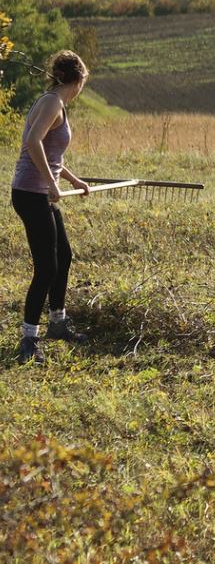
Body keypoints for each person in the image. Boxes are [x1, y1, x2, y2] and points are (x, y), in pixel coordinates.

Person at [12, 50, 92, 364]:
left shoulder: (57, 104)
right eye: (83, 82)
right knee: (46, 267)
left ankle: (57, 323)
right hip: (31, 193)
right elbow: (32, 142)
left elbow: (52, 152)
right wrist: (51, 184)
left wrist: (72, 180)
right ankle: (28, 340)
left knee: (64, 256)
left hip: (41, 192)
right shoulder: (51, 103)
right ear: (78, 79)